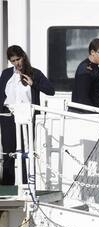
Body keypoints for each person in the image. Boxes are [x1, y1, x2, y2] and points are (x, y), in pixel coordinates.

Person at [0, 45, 55, 185]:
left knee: (26, 154)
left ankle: (27, 186)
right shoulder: (6, 74)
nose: (16, 63)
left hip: (27, 118)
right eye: (13, 61)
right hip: (8, 118)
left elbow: (50, 90)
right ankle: (8, 188)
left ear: (23, 57)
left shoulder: (35, 73)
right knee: (8, 154)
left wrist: (33, 83)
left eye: (18, 59)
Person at [71, 38, 99, 113]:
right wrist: (95, 113)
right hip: (82, 114)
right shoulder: (85, 70)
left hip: (89, 111)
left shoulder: (94, 67)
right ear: (92, 52)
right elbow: (83, 99)